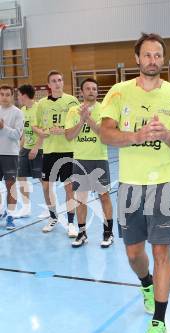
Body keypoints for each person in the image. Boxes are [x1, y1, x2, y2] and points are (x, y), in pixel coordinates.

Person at [100, 33, 170, 333]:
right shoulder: (118, 92)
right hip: (130, 184)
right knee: (133, 254)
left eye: (158, 55)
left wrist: (167, 133)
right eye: (147, 55)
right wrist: (136, 135)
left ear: (163, 60)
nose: (153, 60)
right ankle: (145, 284)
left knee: (161, 254)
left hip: (164, 183)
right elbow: (107, 134)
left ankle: (159, 322)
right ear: (137, 58)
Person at [65, 78, 114, 248]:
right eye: (88, 88)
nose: (91, 91)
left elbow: (104, 134)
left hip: (99, 158)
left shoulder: (105, 110)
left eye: (94, 88)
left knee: (104, 196)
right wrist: (81, 120)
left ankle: (108, 233)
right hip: (80, 160)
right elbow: (69, 136)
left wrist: (89, 119)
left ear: (97, 91)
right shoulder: (73, 110)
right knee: (81, 199)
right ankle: (82, 232)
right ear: (81, 92)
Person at [33, 70, 79, 237]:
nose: (58, 83)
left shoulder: (72, 101)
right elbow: (35, 126)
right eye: (54, 81)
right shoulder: (42, 104)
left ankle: (71, 223)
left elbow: (78, 125)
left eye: (60, 80)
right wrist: (41, 132)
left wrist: (65, 130)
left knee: (69, 188)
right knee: (46, 187)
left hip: (68, 150)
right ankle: (52, 217)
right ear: (49, 84)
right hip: (50, 151)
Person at [16, 84, 42, 218]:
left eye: (19, 94)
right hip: (25, 148)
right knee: (20, 176)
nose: (18, 97)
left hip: (39, 149)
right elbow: (24, 133)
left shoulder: (39, 108)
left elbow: (43, 132)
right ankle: (26, 207)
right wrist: (19, 149)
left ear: (24, 95)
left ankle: (50, 210)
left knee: (44, 180)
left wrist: (36, 148)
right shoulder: (22, 110)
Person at [0, 84, 24, 229]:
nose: (4, 97)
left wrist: (3, 127)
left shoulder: (17, 113)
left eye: (7, 94)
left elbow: (17, 135)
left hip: (10, 154)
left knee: (11, 186)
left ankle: (10, 216)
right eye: (2, 94)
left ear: (12, 96)